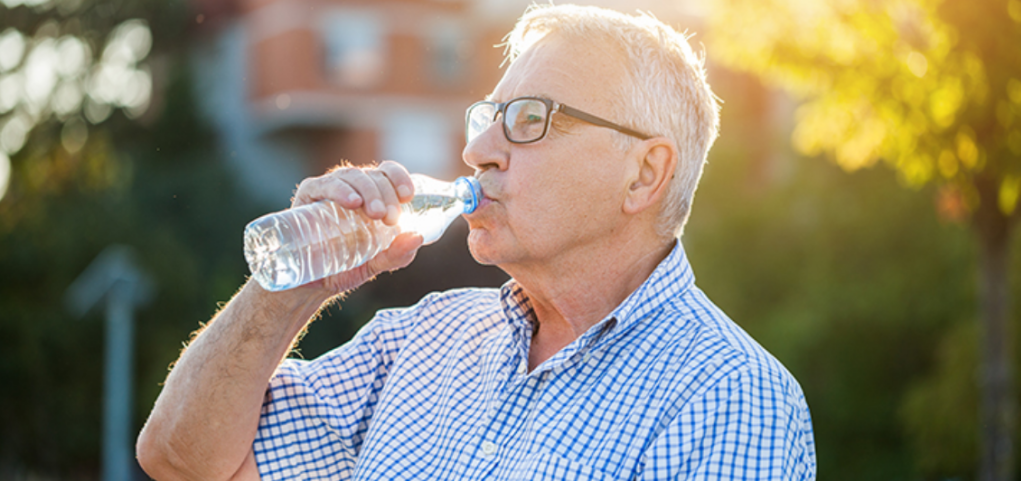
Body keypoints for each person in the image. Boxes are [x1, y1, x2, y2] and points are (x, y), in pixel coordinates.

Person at [137, 4, 816, 480]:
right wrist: (290, 288)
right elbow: (181, 459)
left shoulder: (730, 396)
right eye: (487, 117)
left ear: (644, 173)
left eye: (528, 119)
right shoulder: (420, 340)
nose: (477, 148)